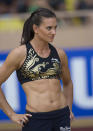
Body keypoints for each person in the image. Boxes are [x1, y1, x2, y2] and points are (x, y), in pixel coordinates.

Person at [0, 8, 74, 131]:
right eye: (49, 28)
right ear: (35, 29)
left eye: (56, 27)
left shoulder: (60, 54)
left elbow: (68, 83)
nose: (54, 32)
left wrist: (69, 109)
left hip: (61, 116)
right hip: (36, 120)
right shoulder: (19, 54)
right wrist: (12, 114)